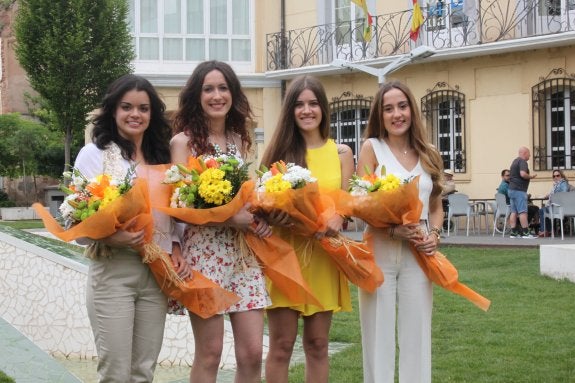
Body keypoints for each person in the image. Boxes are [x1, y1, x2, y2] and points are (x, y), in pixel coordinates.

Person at [74, 74, 191, 382]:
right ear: (113, 110)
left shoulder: (163, 158)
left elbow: (173, 212)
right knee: (115, 374)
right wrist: (114, 236)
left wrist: (176, 245)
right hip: (113, 270)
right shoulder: (94, 155)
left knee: (143, 372)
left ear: (152, 114)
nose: (135, 115)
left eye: (143, 108)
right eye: (127, 107)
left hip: (156, 271)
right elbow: (76, 224)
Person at [169, 60, 272, 383]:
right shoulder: (183, 143)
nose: (217, 95)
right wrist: (231, 217)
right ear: (196, 96)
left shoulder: (240, 139)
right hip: (204, 255)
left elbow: (243, 196)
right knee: (210, 353)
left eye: (223, 88)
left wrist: (259, 216)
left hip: (243, 254)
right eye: (208, 89)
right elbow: (179, 204)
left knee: (253, 352)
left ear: (233, 93)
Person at [261, 75, 354, 383]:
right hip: (284, 258)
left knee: (317, 344)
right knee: (281, 345)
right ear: (290, 111)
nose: (307, 110)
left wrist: (339, 217)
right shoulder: (278, 153)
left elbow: (347, 204)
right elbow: (259, 205)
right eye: (299, 105)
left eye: (313, 103)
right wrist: (276, 217)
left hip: (324, 257)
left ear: (323, 108)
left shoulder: (341, 153)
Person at [356, 81, 444, 383]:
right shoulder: (372, 148)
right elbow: (360, 204)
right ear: (379, 115)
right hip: (379, 249)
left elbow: (434, 205)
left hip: (418, 253)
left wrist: (435, 234)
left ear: (412, 110)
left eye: (402, 106)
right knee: (377, 332)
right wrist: (393, 230)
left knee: (417, 332)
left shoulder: (429, 153)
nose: (397, 114)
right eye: (388, 108)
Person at [508, 146, 537, 238]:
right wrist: (531, 177)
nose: (530, 156)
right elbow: (523, 174)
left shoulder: (514, 161)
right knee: (523, 212)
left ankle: (514, 233)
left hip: (511, 189)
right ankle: (526, 233)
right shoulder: (523, 162)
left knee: (513, 212)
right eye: (529, 154)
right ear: (524, 153)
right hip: (519, 190)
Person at [538, 170, 570, 237]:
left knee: (542, 210)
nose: (555, 177)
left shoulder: (563, 183)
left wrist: (553, 196)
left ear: (562, 176)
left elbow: (564, 194)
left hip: (559, 207)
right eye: (554, 176)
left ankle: (544, 230)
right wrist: (549, 195)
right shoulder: (556, 185)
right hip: (556, 206)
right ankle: (548, 231)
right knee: (544, 209)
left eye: (557, 175)